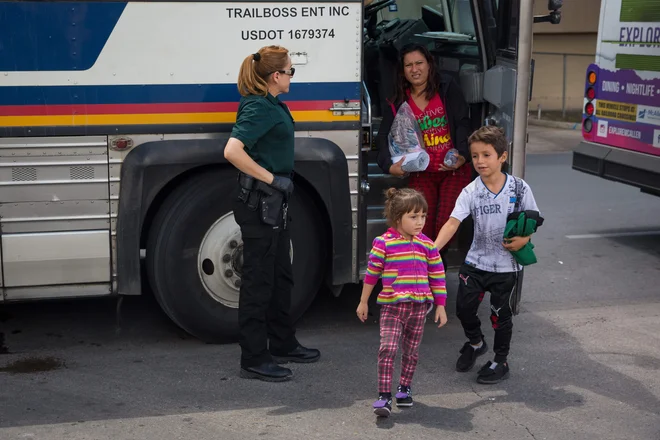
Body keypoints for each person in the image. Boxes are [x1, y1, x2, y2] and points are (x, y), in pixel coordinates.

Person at [224, 45, 320, 383]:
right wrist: (272, 179)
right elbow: (232, 150)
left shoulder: (272, 104)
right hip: (260, 204)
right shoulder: (258, 107)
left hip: (274, 204)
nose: (292, 76)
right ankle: (253, 358)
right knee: (258, 282)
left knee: (281, 277)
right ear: (275, 76)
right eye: (290, 71)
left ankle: (282, 343)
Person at [433, 126, 540, 384]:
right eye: (475, 155)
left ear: (502, 156)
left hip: (506, 268)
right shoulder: (471, 191)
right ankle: (476, 342)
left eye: (486, 155)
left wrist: (525, 238)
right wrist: (431, 251)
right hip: (475, 263)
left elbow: (534, 219)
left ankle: (500, 360)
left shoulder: (519, 188)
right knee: (464, 309)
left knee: (499, 316)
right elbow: (452, 223)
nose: (480, 161)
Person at [356, 188, 448, 417]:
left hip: (418, 308)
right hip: (392, 307)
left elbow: (438, 276)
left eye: (423, 216)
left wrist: (441, 305)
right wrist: (363, 301)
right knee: (387, 348)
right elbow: (372, 273)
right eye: (413, 217)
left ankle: (404, 389)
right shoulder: (383, 243)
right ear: (398, 218)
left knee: (411, 352)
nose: (420, 222)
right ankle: (384, 396)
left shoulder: (428, 245)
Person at [376, 43, 474, 257]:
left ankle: (434, 268)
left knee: (444, 225)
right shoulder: (398, 101)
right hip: (422, 173)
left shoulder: (447, 88)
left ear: (429, 65)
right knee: (422, 228)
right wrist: (389, 166)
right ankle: (427, 276)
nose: (414, 69)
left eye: (419, 63)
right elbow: (383, 136)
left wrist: (463, 156)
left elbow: (464, 122)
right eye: (408, 65)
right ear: (403, 71)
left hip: (452, 171)